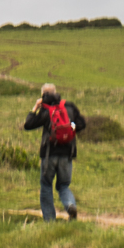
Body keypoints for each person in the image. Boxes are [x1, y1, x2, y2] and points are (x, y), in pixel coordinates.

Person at [24, 83, 86, 221]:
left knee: (46, 185)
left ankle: (50, 221)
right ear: (56, 92)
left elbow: (28, 124)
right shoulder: (69, 107)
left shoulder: (45, 111)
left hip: (48, 155)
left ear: (42, 96)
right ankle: (70, 205)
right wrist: (72, 127)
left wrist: (35, 108)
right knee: (63, 185)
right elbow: (82, 124)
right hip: (67, 154)